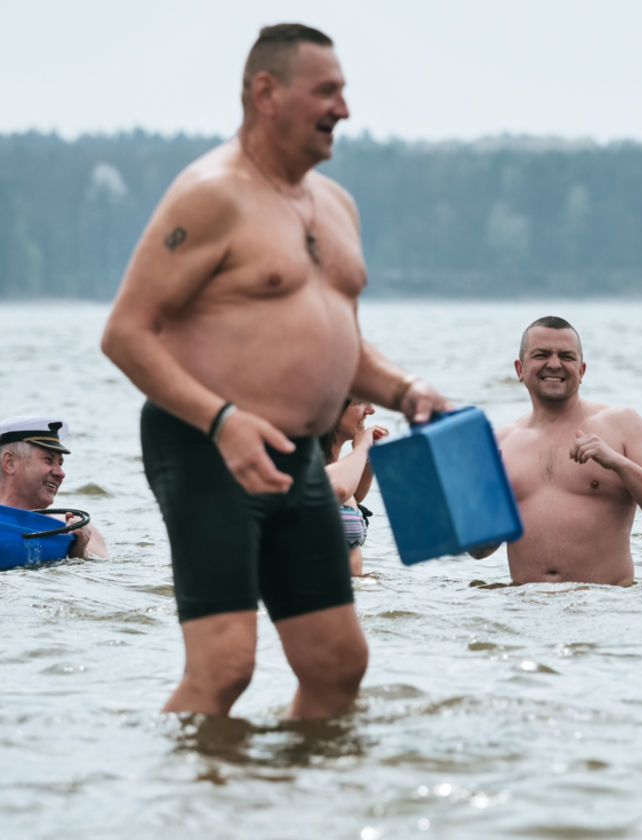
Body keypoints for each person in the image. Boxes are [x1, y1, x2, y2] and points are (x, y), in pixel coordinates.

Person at [100, 23, 453, 720]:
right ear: (266, 93)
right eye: (327, 92)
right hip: (205, 445)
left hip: (298, 454)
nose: (344, 109)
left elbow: (343, 345)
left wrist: (406, 389)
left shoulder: (337, 206)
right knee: (225, 668)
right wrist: (222, 421)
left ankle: (293, 787)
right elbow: (126, 334)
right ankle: (180, 790)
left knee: (337, 666)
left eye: (344, 92)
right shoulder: (210, 194)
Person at [470, 316, 642, 585]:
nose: (554, 364)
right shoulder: (500, 444)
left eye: (566, 356)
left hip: (605, 602)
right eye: (541, 355)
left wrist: (618, 463)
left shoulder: (621, 424)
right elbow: (479, 551)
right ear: (520, 369)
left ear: (582, 370)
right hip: (526, 604)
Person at [0, 415, 108, 559]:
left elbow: (105, 570)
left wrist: (79, 553)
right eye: (48, 459)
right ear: (10, 463)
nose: (61, 473)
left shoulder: (75, 529)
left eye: (60, 463)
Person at [320, 400, 388, 577]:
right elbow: (338, 490)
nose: (371, 410)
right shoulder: (305, 464)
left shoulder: (332, 466)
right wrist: (361, 447)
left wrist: (370, 455)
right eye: (360, 402)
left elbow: (351, 499)